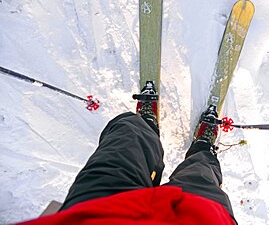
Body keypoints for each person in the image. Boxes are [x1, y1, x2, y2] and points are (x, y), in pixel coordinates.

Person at [19, 81, 236, 224]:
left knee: (128, 134)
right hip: (198, 217)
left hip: (98, 210)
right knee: (201, 174)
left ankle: (146, 124)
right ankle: (202, 149)